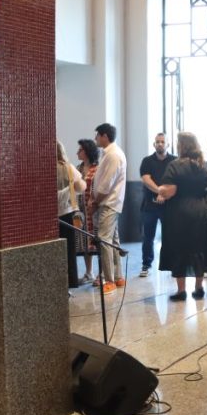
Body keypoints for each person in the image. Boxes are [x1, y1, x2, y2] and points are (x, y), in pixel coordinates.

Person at [155, 132, 207, 301]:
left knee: (179, 247)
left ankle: (181, 291)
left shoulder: (175, 165)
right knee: (199, 247)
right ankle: (199, 287)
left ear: (182, 145)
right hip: (201, 209)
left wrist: (160, 190)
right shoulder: (203, 164)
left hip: (179, 211)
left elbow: (170, 191)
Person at [93, 123, 127, 294]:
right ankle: (119, 277)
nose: (95, 139)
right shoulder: (110, 153)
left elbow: (106, 184)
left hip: (108, 202)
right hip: (110, 203)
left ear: (104, 136)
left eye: (97, 135)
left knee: (104, 240)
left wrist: (95, 201)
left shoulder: (113, 155)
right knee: (112, 241)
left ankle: (109, 280)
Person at [139, 132, 175, 277]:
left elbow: (176, 180)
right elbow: (146, 179)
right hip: (149, 206)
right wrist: (160, 191)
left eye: (162, 142)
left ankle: (171, 264)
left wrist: (164, 194)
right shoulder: (147, 161)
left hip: (169, 205)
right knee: (148, 237)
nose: (160, 144)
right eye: (157, 142)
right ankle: (146, 265)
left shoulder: (174, 161)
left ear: (168, 144)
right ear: (154, 144)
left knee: (170, 236)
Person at [57, 141, 87, 288]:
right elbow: (81, 187)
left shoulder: (43, 167)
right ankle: (72, 280)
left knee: (55, 250)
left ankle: (57, 281)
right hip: (67, 213)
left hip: (50, 215)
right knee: (69, 249)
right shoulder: (68, 168)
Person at [75, 138, 100, 284]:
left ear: (87, 151)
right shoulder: (77, 169)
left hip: (95, 210)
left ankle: (102, 274)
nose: (77, 152)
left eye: (80, 150)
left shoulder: (98, 168)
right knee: (85, 241)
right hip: (81, 210)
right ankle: (89, 272)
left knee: (99, 241)